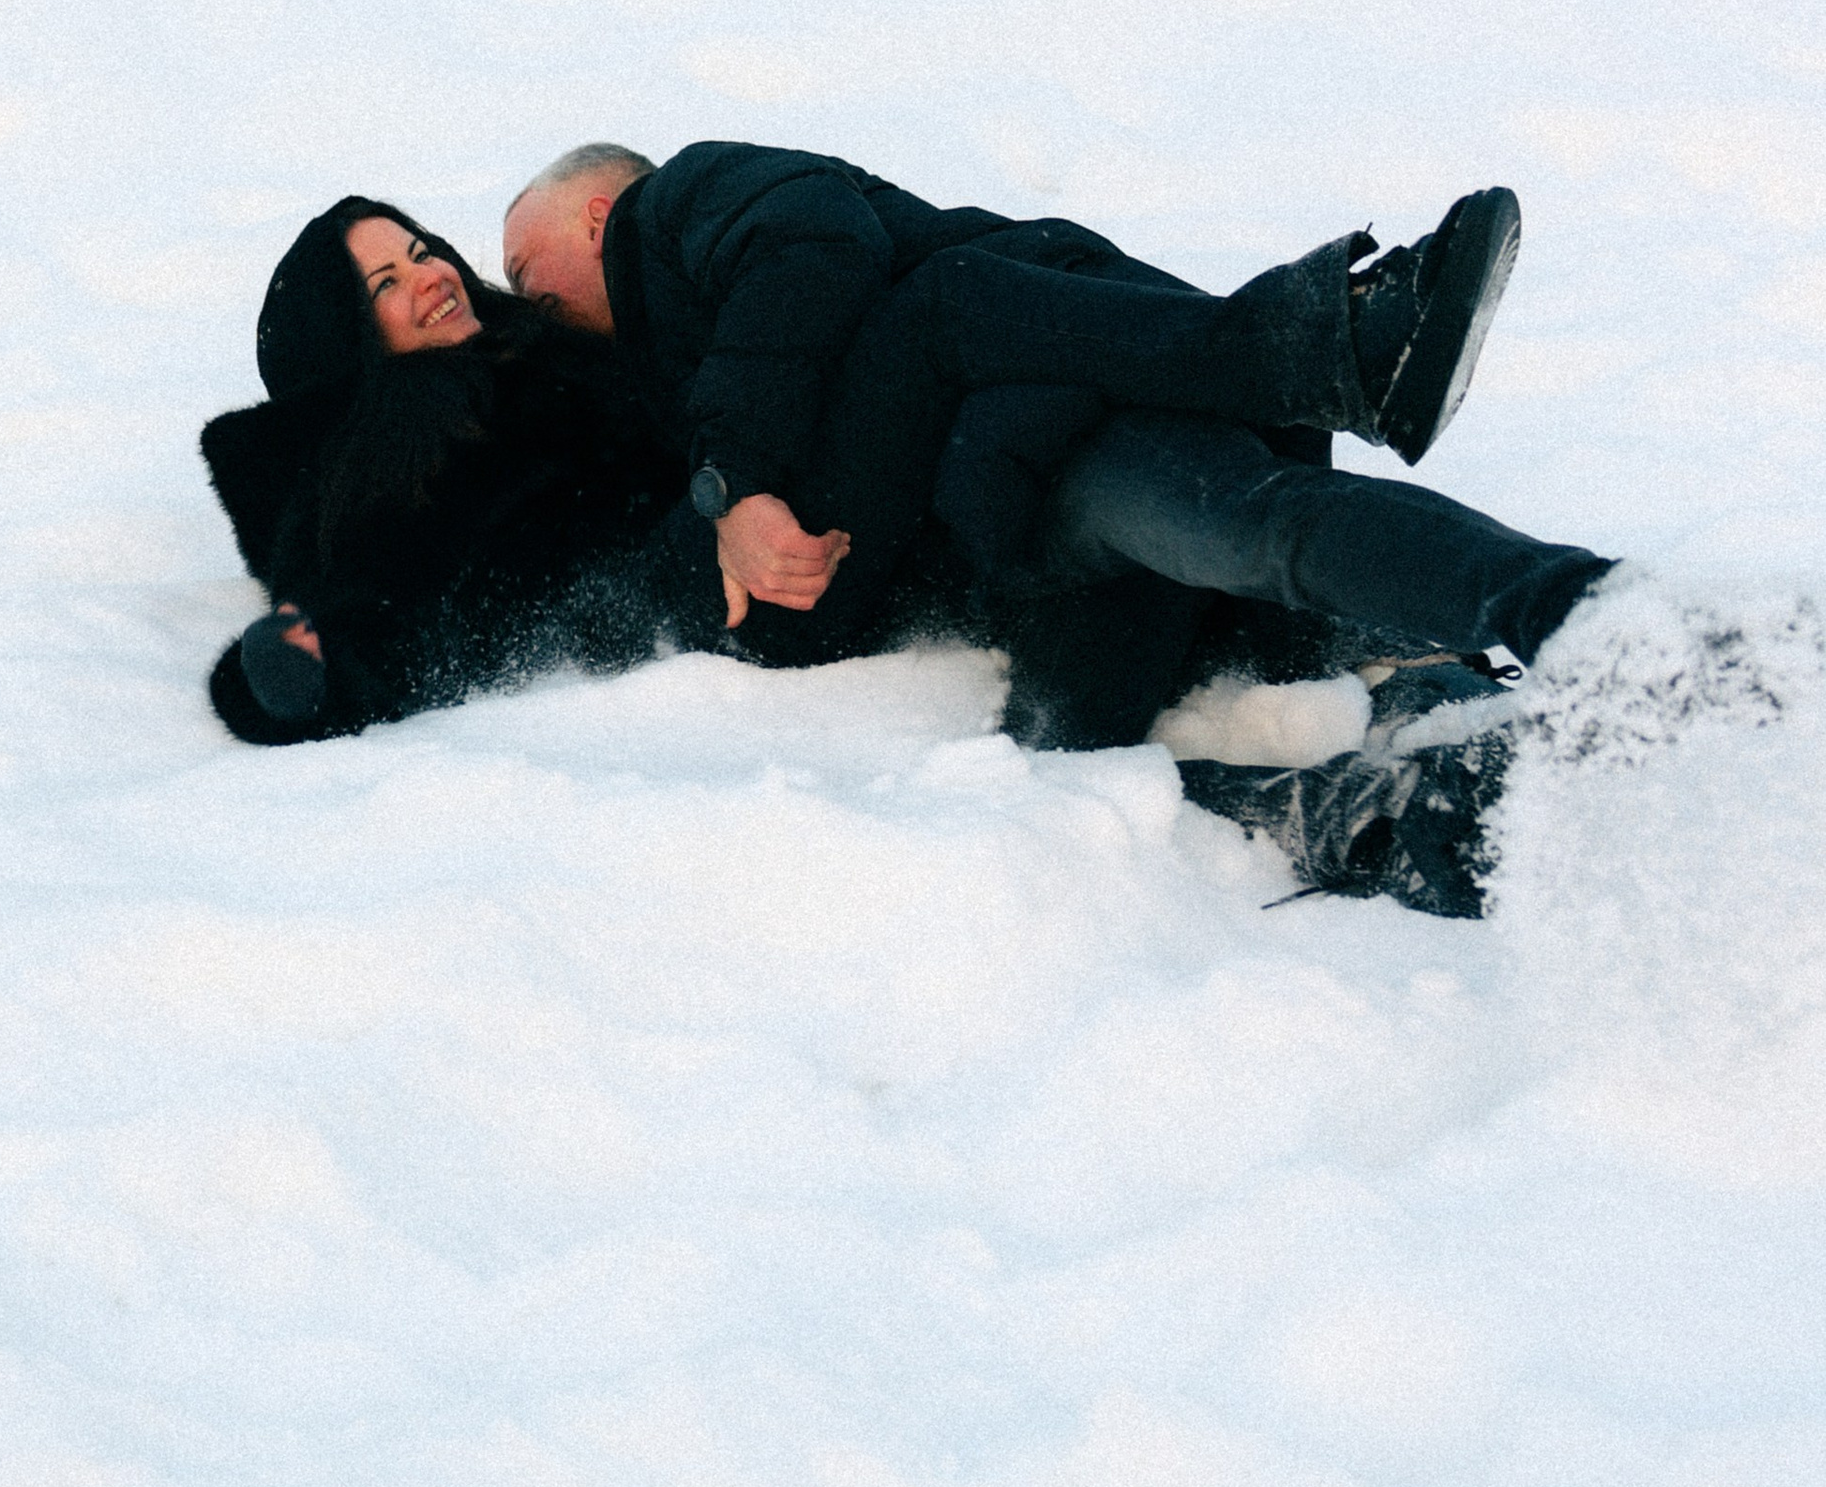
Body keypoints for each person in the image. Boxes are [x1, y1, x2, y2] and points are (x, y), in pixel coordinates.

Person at [499, 140, 1616, 912]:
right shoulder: (696, 367)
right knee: (1074, 777)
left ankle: (1586, 615)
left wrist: (734, 482)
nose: (518, 295)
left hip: (1065, 433)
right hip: (1015, 523)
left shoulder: (689, 201)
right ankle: (1374, 806)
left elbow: (813, 246)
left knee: (1254, 531)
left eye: (521, 268)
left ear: (596, 211)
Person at [202, 197, 681, 746]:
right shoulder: (394, 465)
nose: (429, 278)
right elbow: (370, 618)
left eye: (421, 254)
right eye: (386, 284)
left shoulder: (547, 343)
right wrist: (296, 671)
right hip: (673, 629)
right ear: (350, 338)